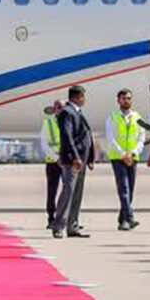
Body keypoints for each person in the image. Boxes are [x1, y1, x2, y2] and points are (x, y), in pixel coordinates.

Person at [50, 86, 94, 239]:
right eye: (83, 96)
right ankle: (58, 225)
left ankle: (72, 226)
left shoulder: (77, 112)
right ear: (78, 97)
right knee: (68, 191)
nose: (84, 100)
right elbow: (67, 137)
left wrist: (89, 158)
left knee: (76, 194)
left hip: (81, 160)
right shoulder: (67, 113)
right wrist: (75, 157)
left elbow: (85, 135)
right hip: (73, 160)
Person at [105, 89, 144, 231]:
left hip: (133, 157)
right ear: (118, 100)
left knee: (130, 190)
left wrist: (133, 153)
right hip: (118, 157)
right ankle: (130, 218)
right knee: (124, 189)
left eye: (128, 98)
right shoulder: (112, 116)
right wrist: (123, 154)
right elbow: (110, 138)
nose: (126, 101)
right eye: (123, 98)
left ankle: (123, 221)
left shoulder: (137, 117)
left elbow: (141, 138)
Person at [40, 101, 64, 229]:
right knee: (52, 192)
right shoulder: (48, 123)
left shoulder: (70, 122)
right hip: (52, 163)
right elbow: (44, 144)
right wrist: (56, 158)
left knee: (68, 191)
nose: (60, 109)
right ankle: (51, 218)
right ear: (54, 109)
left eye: (62, 107)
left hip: (67, 162)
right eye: (58, 107)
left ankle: (65, 218)